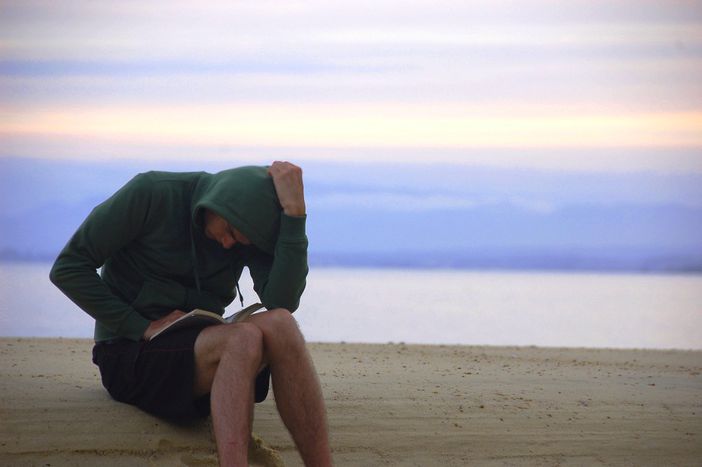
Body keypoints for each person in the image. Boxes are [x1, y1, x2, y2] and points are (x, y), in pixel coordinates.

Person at [50, 161, 333, 466]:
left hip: (198, 353)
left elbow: (282, 300)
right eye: (229, 232)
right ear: (218, 205)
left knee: (281, 323)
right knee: (243, 338)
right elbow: (68, 267)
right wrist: (141, 326)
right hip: (129, 355)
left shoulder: (246, 229)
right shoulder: (151, 194)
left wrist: (295, 216)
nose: (228, 244)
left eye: (238, 241)